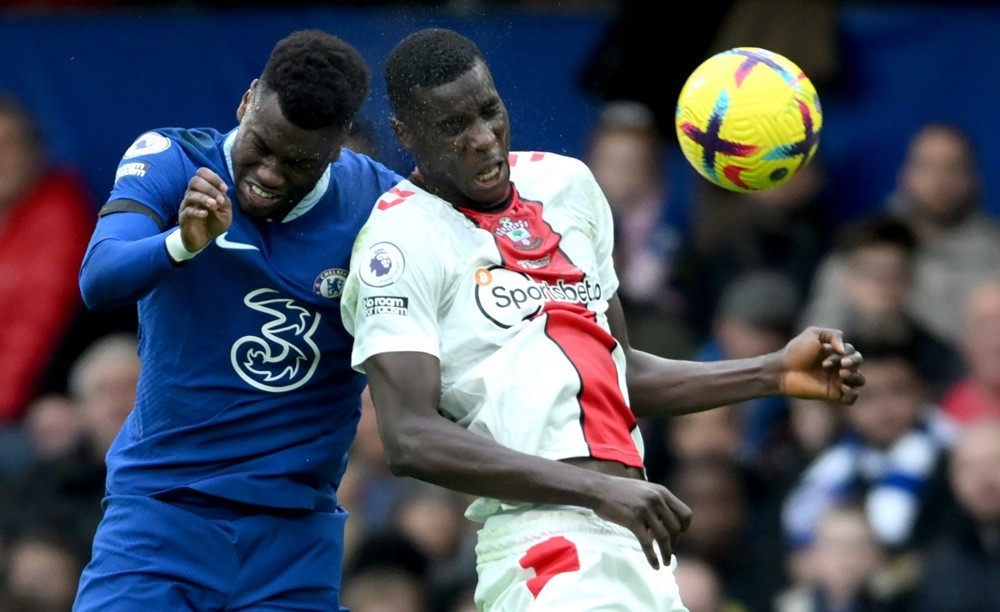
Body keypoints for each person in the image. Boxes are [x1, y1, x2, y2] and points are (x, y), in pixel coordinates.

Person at [341, 28, 864, 611]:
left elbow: (621, 372)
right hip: (544, 543)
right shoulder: (398, 240)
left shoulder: (566, 185)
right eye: (453, 127)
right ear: (406, 135)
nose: (484, 139)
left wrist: (773, 372)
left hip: (634, 535)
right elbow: (409, 437)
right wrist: (594, 489)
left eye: (490, 112)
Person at [72, 29, 403, 610]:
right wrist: (182, 243)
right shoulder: (175, 160)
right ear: (248, 100)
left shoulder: (384, 208)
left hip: (295, 539)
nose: (270, 173)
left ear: (338, 146)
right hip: (159, 518)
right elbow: (99, 277)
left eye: (298, 161)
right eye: (262, 145)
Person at [0, 93, 94, 423]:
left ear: (36, 152)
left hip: (30, 412)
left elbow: (35, 325)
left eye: (9, 145)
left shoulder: (59, 212)